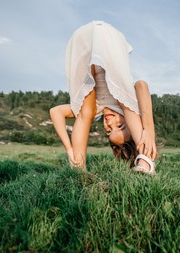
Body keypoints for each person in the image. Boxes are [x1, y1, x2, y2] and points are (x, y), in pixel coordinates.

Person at [50, 21, 157, 174]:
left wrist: (69, 148)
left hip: (82, 41)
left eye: (108, 131)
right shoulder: (125, 102)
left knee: (86, 113)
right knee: (127, 104)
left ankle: (78, 169)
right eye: (119, 126)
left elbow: (55, 112)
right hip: (110, 40)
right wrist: (148, 130)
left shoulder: (97, 110)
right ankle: (146, 158)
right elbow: (141, 85)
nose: (110, 123)